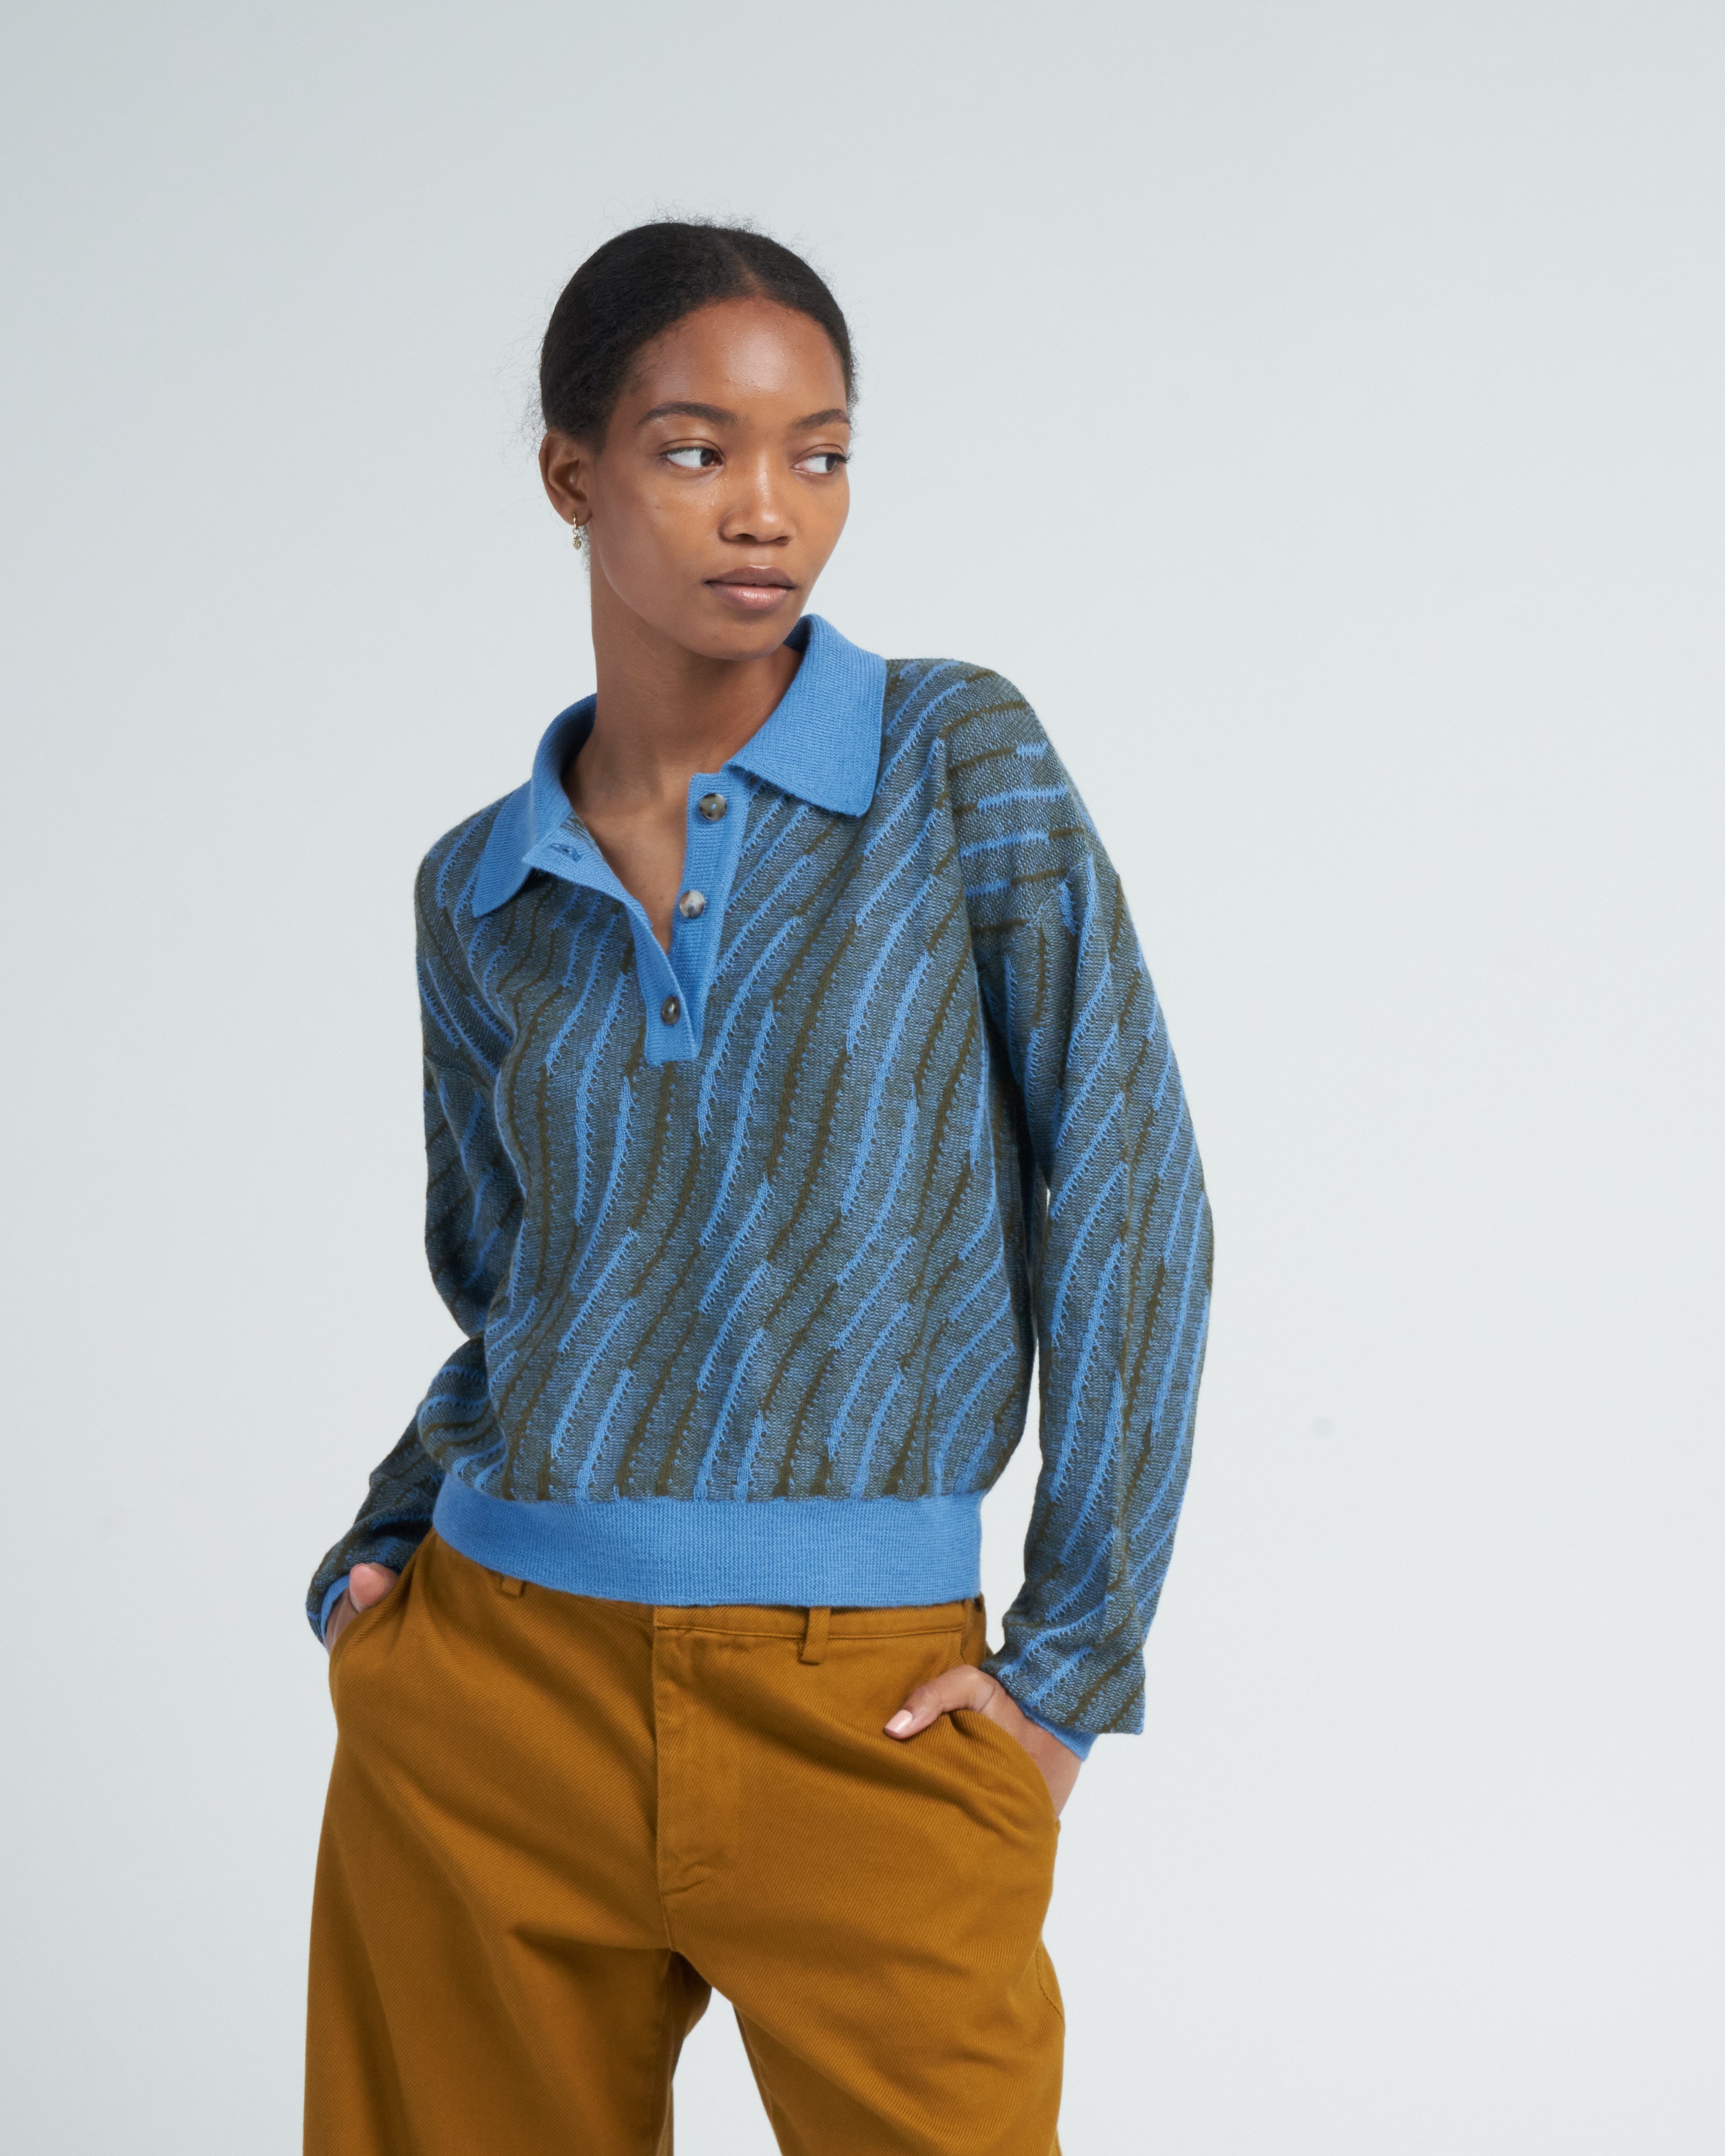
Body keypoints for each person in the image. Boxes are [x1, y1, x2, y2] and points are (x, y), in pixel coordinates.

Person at [305, 219, 1211, 2156]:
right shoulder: (477, 889)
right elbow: (506, 1285)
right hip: (492, 1705)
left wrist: (1069, 1668)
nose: (767, 511)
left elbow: (1130, 1195)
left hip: (871, 1708)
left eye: (822, 454)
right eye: (697, 450)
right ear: (573, 476)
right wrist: (375, 1574)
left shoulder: (956, 760)